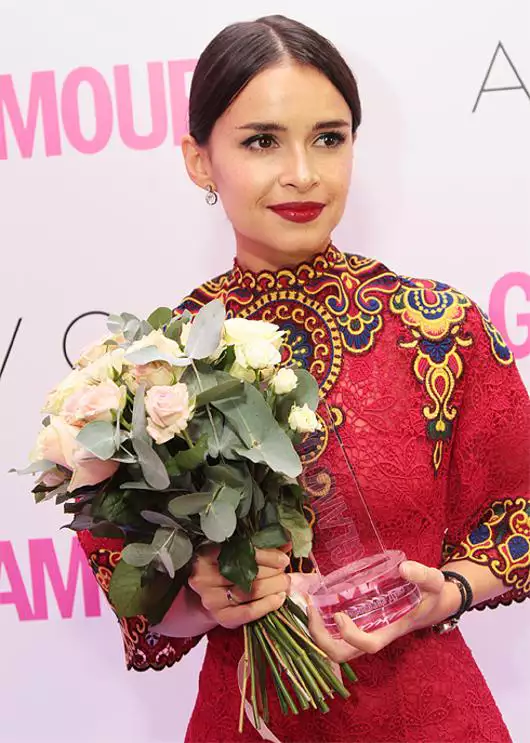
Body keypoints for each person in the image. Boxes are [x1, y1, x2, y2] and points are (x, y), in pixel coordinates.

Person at [78, 14, 530, 742]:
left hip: (428, 716)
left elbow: (521, 516)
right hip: (250, 717)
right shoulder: (153, 371)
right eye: (262, 141)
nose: (304, 172)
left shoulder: (438, 328)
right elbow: (144, 604)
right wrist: (207, 596)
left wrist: (446, 592)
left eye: (329, 137)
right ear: (199, 160)